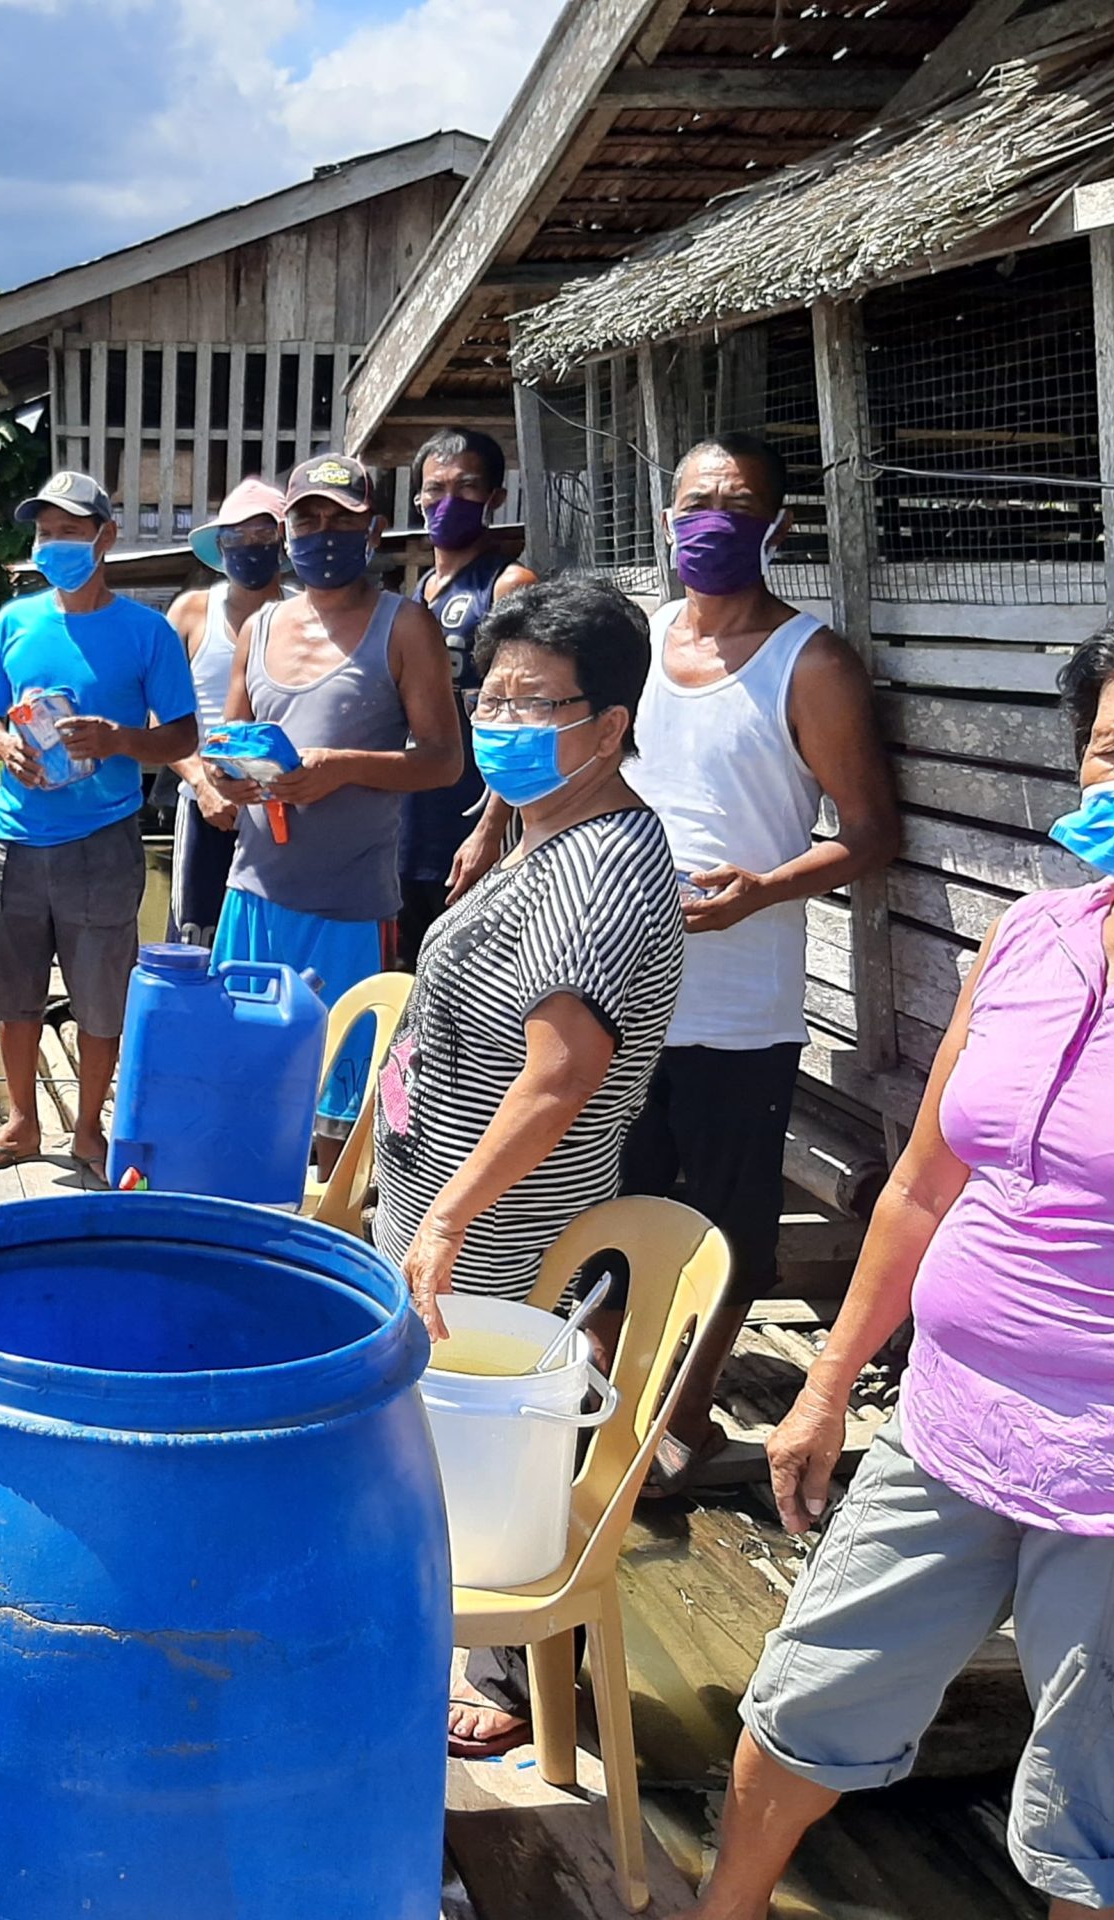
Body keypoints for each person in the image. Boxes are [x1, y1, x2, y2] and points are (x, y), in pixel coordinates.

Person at [679, 597, 1114, 1920]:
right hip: (945, 1427)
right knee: (803, 1700)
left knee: (1101, 1820)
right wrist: (834, 1379)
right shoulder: (1032, 938)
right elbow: (921, 1184)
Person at [457, 431, 899, 1491]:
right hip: (614, 985)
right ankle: (603, 1403)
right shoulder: (638, 642)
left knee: (727, 1220)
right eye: (694, 502)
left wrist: (765, 889)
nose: (710, 522)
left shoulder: (813, 662)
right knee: (610, 1205)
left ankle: (683, 1422)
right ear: (663, 519)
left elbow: (870, 833)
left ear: (776, 526)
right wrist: (488, 833)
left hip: (738, 1001)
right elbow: (550, 746)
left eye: (735, 505)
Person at [375, 575, 684, 1336]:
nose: (502, 722)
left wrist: (446, 1222)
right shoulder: (544, 827)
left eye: (535, 703)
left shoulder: (596, 868)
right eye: (490, 699)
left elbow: (562, 1075)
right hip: (440, 1233)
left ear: (610, 728)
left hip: (488, 1259)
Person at [207, 453, 462, 1163]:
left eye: (341, 520)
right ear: (286, 532)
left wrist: (340, 768)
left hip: (350, 908)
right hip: (253, 897)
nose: (323, 534)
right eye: (307, 519)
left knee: (337, 1112)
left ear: (374, 531)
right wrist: (224, 779)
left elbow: (445, 761)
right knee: (244, 1083)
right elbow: (223, 746)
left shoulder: (405, 626)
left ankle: (323, 1233)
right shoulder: (257, 629)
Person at [0, 470, 198, 1183]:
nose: (55, 545)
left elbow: (181, 736)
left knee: (101, 991)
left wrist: (119, 740)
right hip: (17, 832)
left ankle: (89, 1128)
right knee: (13, 986)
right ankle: (23, 1123)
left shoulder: (147, 632)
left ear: (105, 538)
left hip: (104, 837)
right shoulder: (13, 622)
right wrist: (2, 745)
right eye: (45, 533)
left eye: (69, 532)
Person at [394, 428, 538, 966]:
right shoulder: (416, 593)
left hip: (471, 815)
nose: (447, 501)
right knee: (404, 980)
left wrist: (491, 827)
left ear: (496, 497)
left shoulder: (507, 584)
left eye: (467, 487)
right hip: (408, 822)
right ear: (418, 499)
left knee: (468, 982)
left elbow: (526, 717)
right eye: (435, 489)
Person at [165, 477, 287, 945]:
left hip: (281, 806)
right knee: (195, 936)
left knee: (268, 938)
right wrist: (201, 783)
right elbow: (161, 719)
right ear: (220, 545)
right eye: (238, 537)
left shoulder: (302, 614)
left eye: (263, 537)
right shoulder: (193, 612)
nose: (250, 548)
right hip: (205, 806)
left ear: (282, 542)